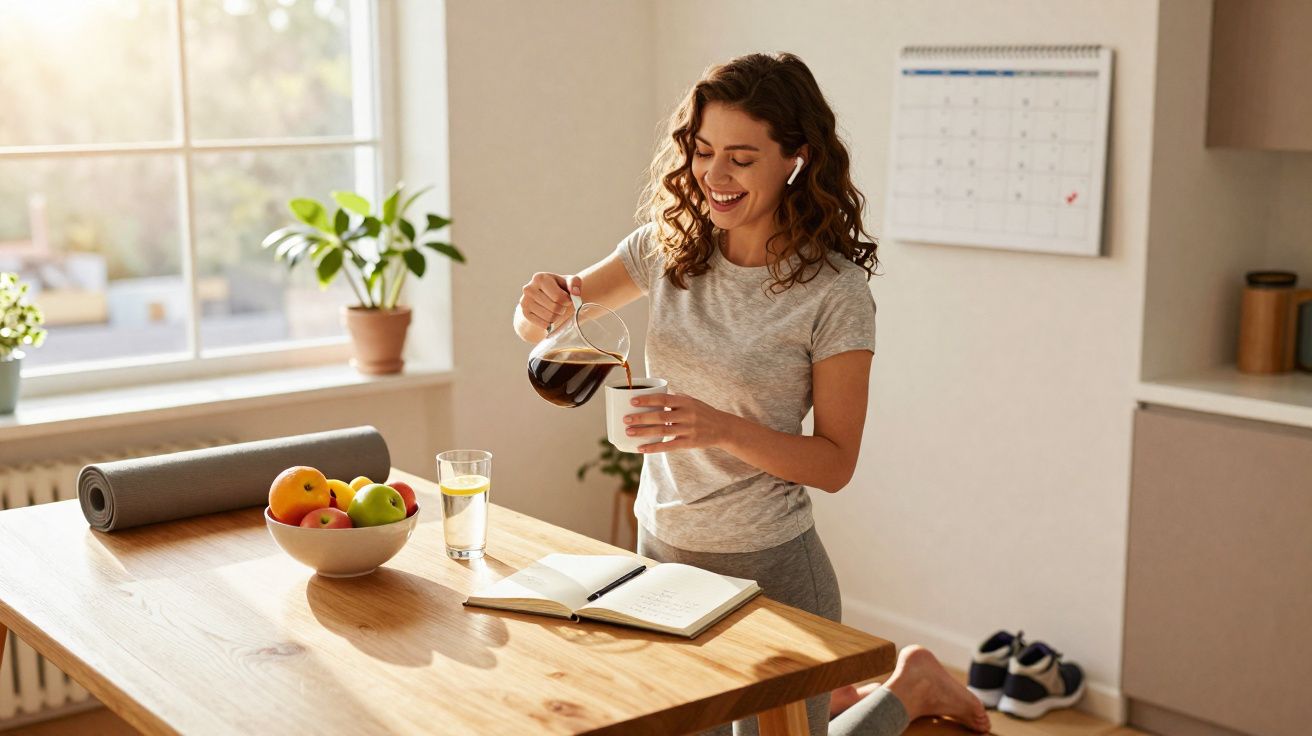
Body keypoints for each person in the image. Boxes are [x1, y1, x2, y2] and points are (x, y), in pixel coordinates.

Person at [514, 52, 987, 736]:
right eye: (704, 151)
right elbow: (546, 320)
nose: (714, 174)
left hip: (772, 568)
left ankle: (909, 687)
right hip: (662, 549)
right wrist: (536, 305)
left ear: (795, 159)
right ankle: (885, 689)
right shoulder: (666, 248)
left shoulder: (834, 292)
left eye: (741, 156)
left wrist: (721, 428)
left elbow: (835, 464)